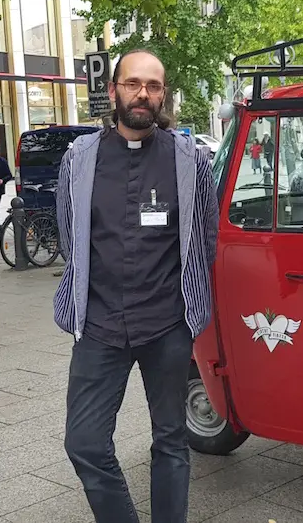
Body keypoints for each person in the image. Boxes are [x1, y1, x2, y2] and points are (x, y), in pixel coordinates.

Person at [54, 48, 218, 523]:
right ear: (114, 91)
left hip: (166, 323)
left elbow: (204, 237)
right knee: (83, 442)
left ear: (163, 94)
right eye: (132, 84)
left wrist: (190, 304)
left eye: (153, 85)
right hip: (100, 322)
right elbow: (70, 235)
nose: (142, 94)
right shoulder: (79, 159)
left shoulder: (190, 160)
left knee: (170, 440)